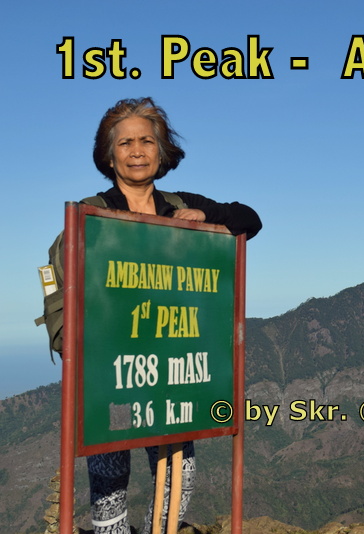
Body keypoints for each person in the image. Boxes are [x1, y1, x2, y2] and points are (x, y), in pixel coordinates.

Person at [84, 97, 262, 534]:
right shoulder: (94, 212)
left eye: (147, 140)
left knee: (177, 478)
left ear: (163, 151)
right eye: (125, 143)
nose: (137, 150)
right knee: (109, 474)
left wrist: (203, 217)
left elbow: (249, 219)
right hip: (115, 373)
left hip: (173, 369)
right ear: (109, 155)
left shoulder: (179, 202)